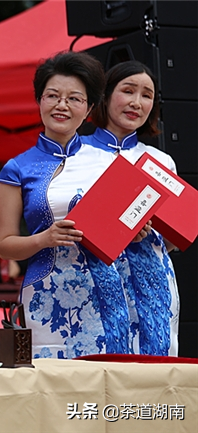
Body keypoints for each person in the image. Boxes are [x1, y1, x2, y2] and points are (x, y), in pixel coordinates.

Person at [0, 51, 134, 359]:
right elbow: (4, 245)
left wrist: (135, 229)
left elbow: (124, 223)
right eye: (53, 96)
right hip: (48, 296)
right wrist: (44, 239)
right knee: (54, 389)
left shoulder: (108, 162)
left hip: (107, 293)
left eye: (74, 99)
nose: (62, 105)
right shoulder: (17, 168)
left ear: (89, 109)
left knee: (108, 384)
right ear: (39, 100)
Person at [82, 60, 179, 356]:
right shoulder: (79, 155)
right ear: (106, 95)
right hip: (95, 281)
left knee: (156, 372)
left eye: (147, 95)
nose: (137, 102)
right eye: (128, 91)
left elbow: (173, 240)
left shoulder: (161, 162)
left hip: (155, 281)